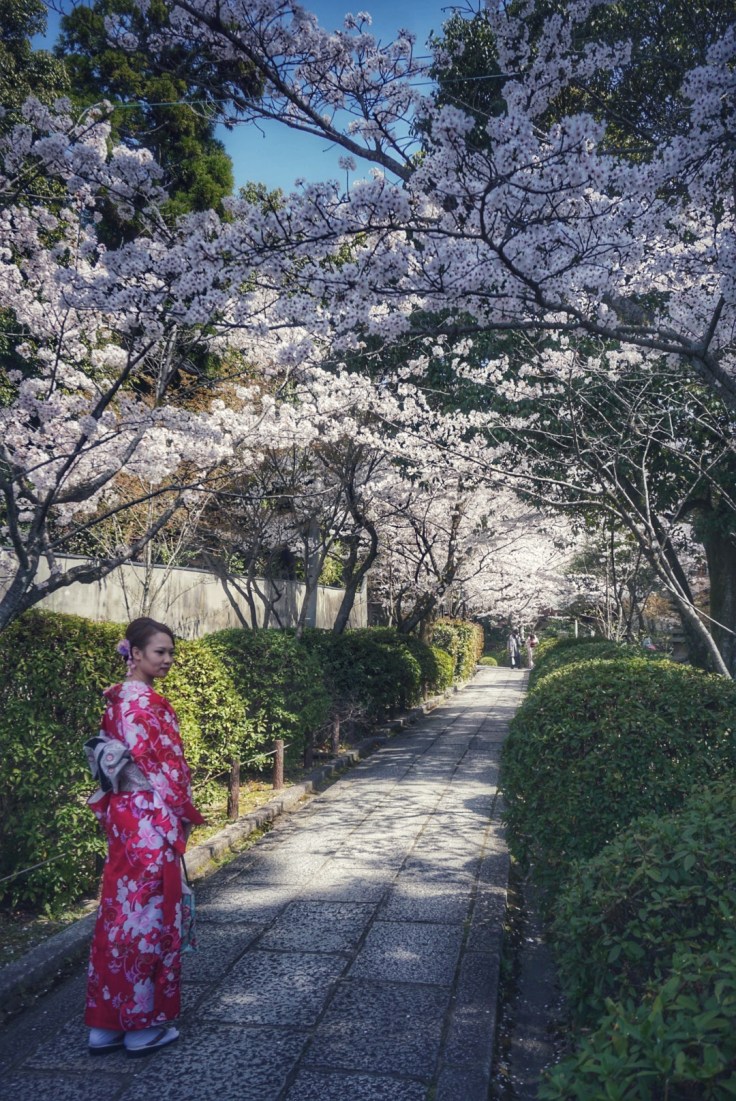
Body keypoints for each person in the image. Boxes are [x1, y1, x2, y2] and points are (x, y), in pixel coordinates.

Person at [84, 617, 204, 1056]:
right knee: (149, 917)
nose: (168, 660)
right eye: (160, 652)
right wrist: (185, 810)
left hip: (124, 815)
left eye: (171, 652)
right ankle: (139, 1026)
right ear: (134, 654)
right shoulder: (146, 705)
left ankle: (105, 1025)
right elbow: (165, 768)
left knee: (119, 915)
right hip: (149, 817)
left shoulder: (116, 701)